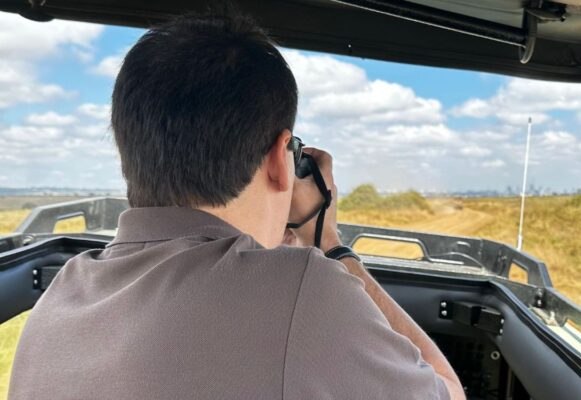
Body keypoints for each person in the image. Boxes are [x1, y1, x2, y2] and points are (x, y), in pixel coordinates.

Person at [9, 12, 465, 400]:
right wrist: (331, 246)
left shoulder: (61, 297)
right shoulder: (305, 290)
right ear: (279, 160)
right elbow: (448, 390)